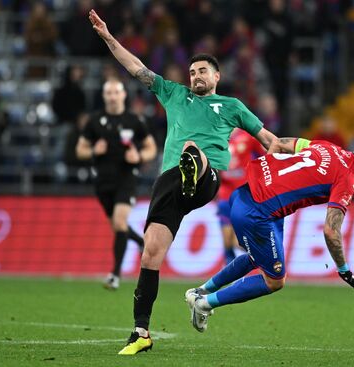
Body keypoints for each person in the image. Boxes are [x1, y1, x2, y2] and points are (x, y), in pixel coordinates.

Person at [89, 9, 277, 355]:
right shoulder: (174, 94)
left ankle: (194, 172)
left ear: (217, 76)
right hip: (168, 183)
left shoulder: (232, 106)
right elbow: (135, 68)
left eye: (202, 71)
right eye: (192, 72)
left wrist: (300, 154)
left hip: (206, 178)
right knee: (151, 253)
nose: (195, 76)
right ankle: (141, 332)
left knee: (193, 151)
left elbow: (268, 140)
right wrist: (107, 37)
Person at [184, 136, 354, 333]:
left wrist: (269, 176)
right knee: (275, 280)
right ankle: (204, 304)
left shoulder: (327, 147)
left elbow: (280, 143)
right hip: (259, 213)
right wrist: (344, 270)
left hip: (247, 194)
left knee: (258, 258)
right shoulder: (346, 180)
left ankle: (200, 292)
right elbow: (331, 231)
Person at [76, 78, 157, 290]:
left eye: (116, 92)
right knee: (117, 226)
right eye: (108, 93)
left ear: (123, 95)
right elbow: (80, 149)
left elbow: (151, 148)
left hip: (126, 179)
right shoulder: (94, 121)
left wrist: (138, 156)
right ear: (104, 96)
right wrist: (94, 151)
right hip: (102, 182)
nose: (112, 96)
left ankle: (115, 274)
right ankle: (140, 242)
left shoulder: (134, 120)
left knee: (120, 224)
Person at [217, 129, 264, 265]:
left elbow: (265, 155)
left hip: (242, 195)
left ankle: (263, 256)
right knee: (227, 241)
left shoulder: (248, 136)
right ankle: (229, 270)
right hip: (225, 194)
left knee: (237, 241)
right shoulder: (216, 136)